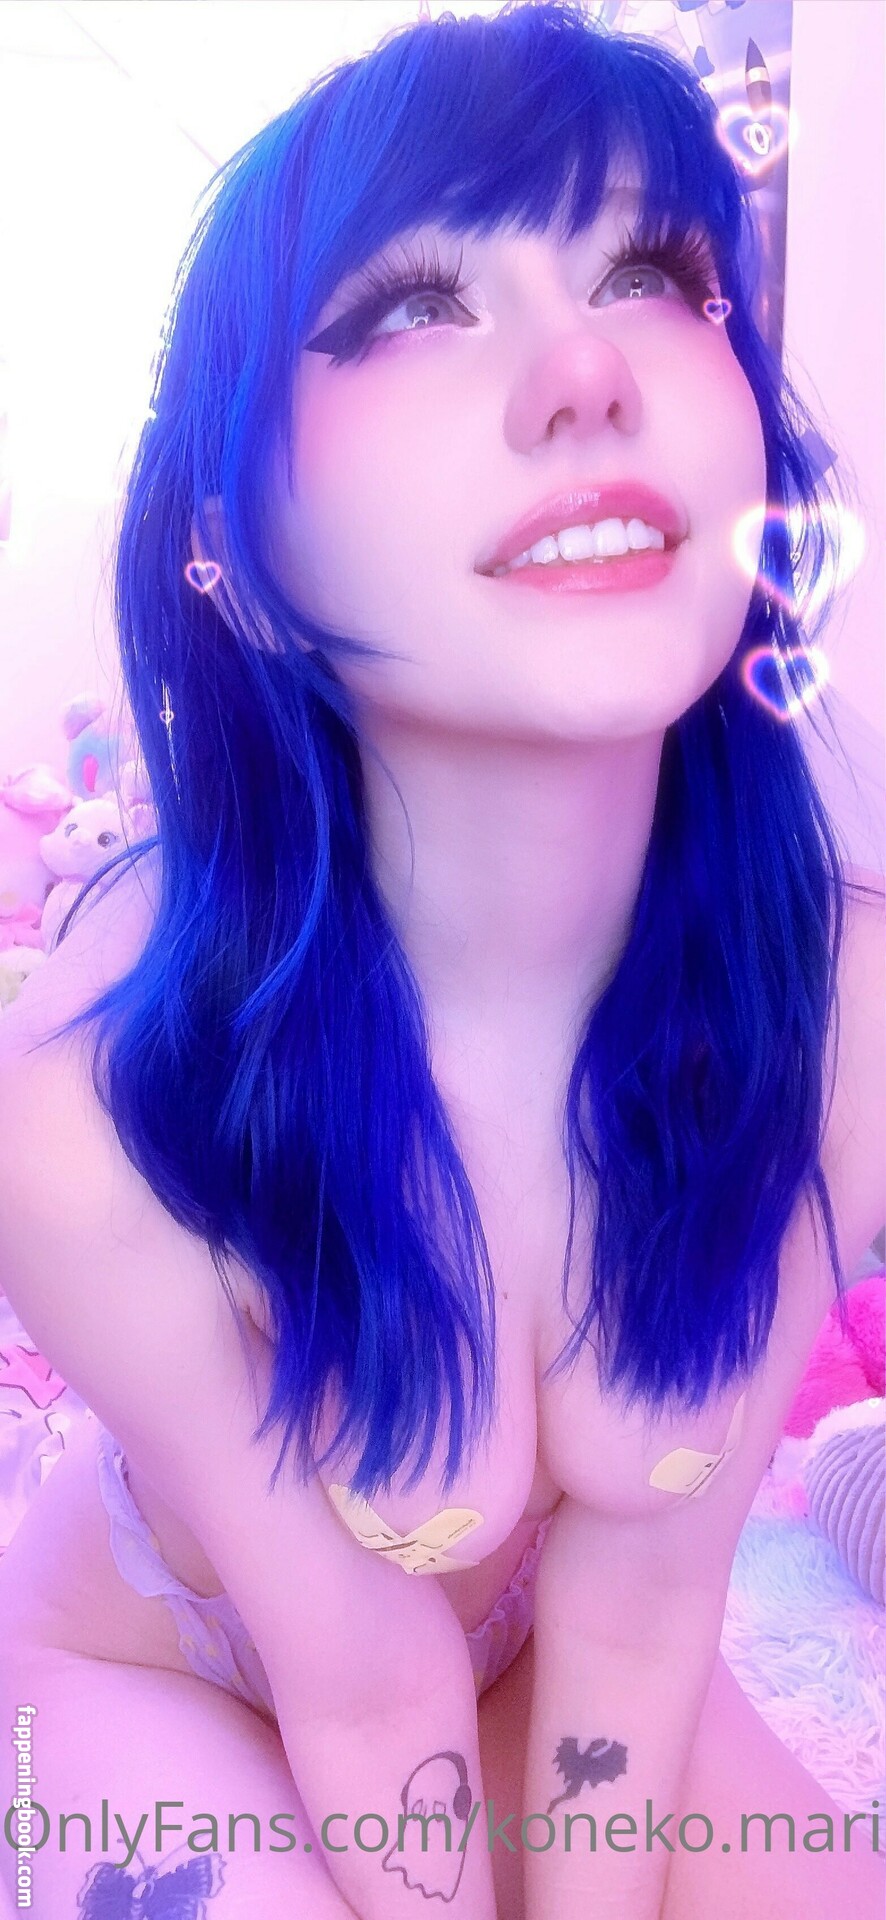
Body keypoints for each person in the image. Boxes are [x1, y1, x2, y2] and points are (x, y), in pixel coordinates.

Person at [0, 3, 883, 1916]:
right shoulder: (91, 1105)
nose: (583, 369)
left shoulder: (845, 1017)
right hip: (154, 1667)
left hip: (541, 1672)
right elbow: (365, 1677)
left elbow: (640, 1615)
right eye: (411, 305)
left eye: (649, 272)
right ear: (234, 543)